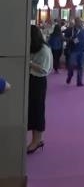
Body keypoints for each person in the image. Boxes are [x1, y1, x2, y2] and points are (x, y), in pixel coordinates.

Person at [27, 25, 52, 154]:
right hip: (31, 80)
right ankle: (36, 139)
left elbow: (45, 69)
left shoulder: (44, 50)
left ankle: (37, 140)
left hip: (38, 81)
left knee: (37, 110)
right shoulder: (34, 47)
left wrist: (30, 63)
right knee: (32, 110)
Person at [67, 19, 84, 87]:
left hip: (83, 51)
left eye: (82, 22)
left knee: (81, 66)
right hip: (74, 51)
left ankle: (79, 81)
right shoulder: (71, 30)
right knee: (71, 65)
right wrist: (70, 39)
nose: (81, 23)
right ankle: (70, 75)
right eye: (80, 22)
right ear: (76, 22)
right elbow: (64, 38)